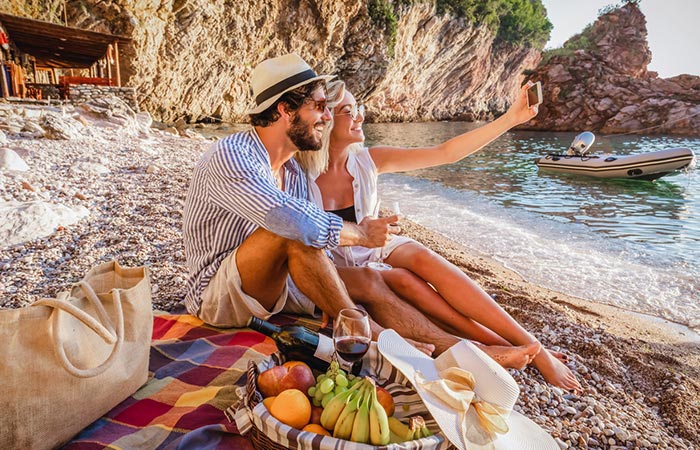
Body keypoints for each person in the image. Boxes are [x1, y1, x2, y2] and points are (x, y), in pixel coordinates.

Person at [182, 53, 541, 369]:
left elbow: (443, 152)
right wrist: (362, 233)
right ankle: (378, 342)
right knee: (291, 230)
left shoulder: (293, 172)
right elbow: (290, 222)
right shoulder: (232, 154)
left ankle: (465, 350)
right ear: (284, 109)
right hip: (218, 297)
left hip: (275, 286)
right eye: (320, 106)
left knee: (371, 280)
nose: (326, 116)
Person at [295, 79, 581, 392]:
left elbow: (446, 152)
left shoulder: (368, 161)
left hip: (374, 250)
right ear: (326, 120)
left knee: (420, 256)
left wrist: (511, 118)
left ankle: (529, 346)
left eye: (358, 108)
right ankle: (499, 348)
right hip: (334, 267)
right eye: (349, 111)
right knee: (404, 281)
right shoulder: (298, 174)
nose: (361, 116)